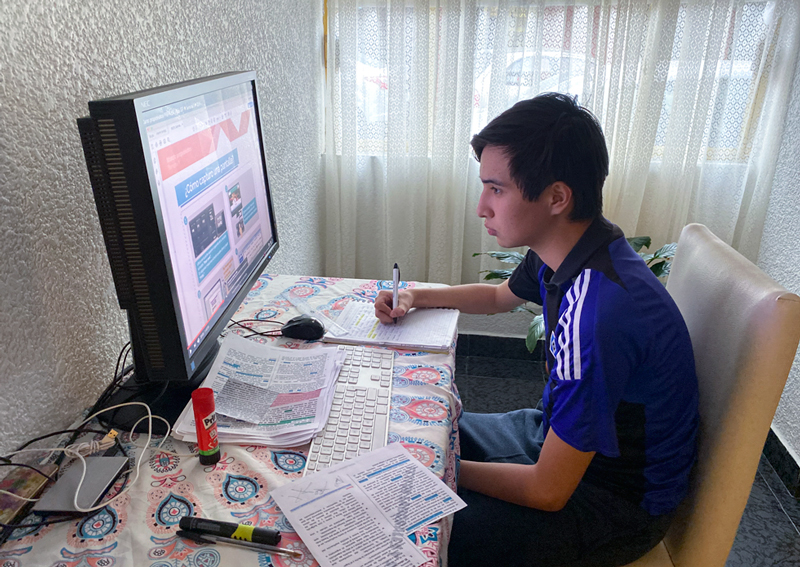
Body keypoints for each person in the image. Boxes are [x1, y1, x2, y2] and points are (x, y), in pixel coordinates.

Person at [373, 93, 699, 567]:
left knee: (398, 516)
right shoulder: (574, 247)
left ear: (557, 197)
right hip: (556, 443)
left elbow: (548, 492)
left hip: (609, 503)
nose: (481, 207)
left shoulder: (600, 317)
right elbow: (497, 297)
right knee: (410, 429)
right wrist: (415, 296)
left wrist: (435, 467)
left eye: (496, 189)